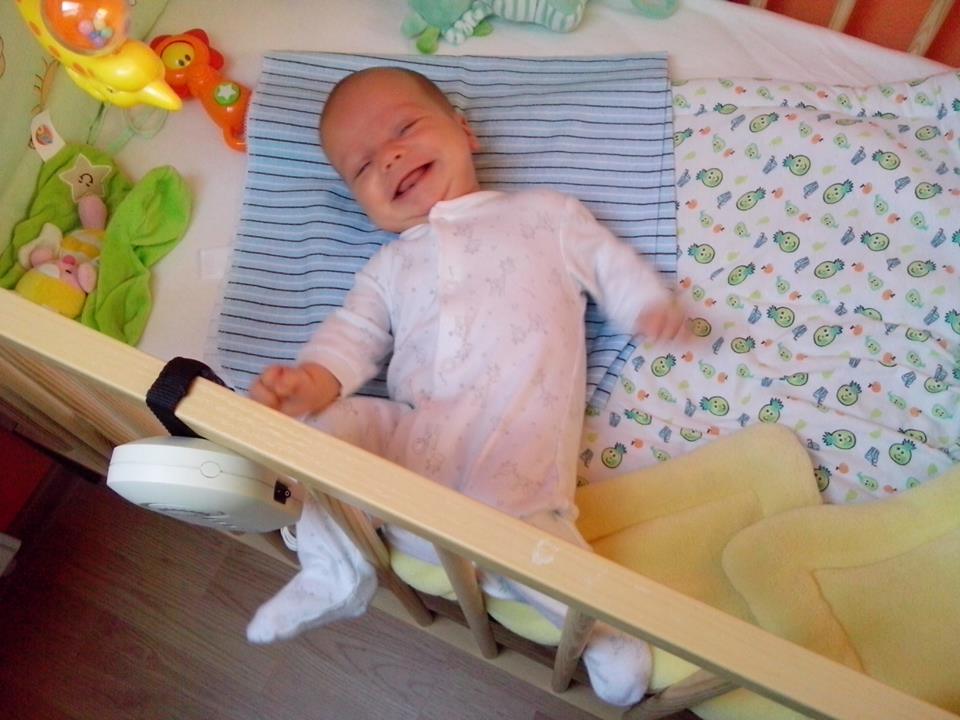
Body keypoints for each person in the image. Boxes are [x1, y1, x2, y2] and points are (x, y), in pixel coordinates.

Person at [246, 67, 686, 706]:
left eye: (404, 128)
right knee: (325, 432)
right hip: (410, 437)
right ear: (359, 200)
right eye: (363, 165)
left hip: (513, 451)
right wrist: (310, 384)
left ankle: (604, 638)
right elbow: (352, 334)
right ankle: (334, 568)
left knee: (540, 555)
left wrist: (643, 303)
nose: (389, 156)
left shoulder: (544, 215)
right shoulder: (389, 265)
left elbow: (606, 261)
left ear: (464, 132)